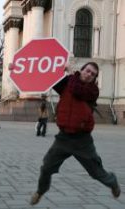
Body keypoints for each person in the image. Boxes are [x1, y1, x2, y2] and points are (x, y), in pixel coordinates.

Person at [30, 62, 121, 205]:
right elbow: (47, 79)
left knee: (95, 171)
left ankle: (112, 181)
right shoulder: (68, 82)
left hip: (82, 140)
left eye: (93, 74)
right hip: (63, 138)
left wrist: (72, 73)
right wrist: (17, 70)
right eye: (88, 70)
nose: (89, 74)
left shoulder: (92, 91)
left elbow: (77, 90)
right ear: (82, 70)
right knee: (46, 166)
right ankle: (40, 191)